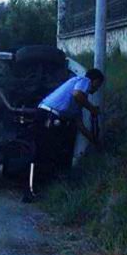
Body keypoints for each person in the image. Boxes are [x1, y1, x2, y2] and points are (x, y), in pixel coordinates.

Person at [26, 68, 105, 198]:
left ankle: (39, 188)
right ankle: (30, 190)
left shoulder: (76, 103)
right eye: (98, 86)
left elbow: (80, 124)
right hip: (48, 115)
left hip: (48, 116)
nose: (96, 90)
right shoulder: (83, 81)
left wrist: (94, 140)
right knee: (40, 153)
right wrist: (92, 109)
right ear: (95, 81)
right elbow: (77, 94)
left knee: (48, 153)